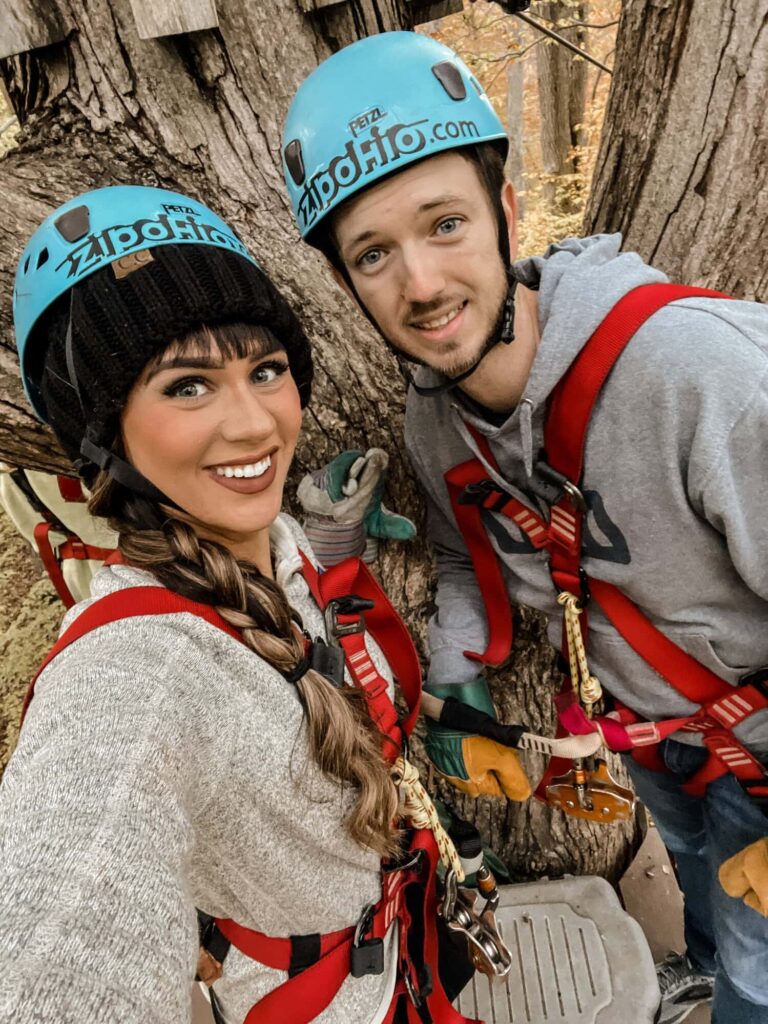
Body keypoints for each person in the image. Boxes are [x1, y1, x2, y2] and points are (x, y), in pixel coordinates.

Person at [282, 31, 768, 1024]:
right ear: (346, 283)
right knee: (695, 874)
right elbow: (471, 556)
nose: (419, 284)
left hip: (761, 745)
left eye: (445, 223)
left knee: (762, 969)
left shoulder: (699, 377)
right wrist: (459, 694)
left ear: (505, 212)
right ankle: (703, 969)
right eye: (374, 253)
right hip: (651, 736)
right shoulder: (437, 418)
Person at [0, 185, 476, 1023]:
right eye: (187, 387)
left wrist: (329, 550)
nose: (255, 425)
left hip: (389, 966)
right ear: (106, 435)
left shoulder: (273, 551)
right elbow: (58, 937)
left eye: (266, 370)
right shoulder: (134, 675)